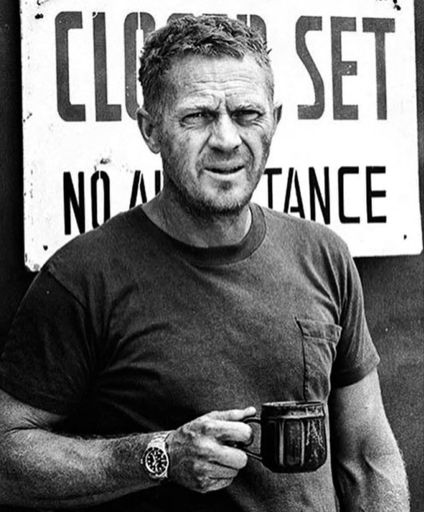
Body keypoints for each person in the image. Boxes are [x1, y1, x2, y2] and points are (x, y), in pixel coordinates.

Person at [0, 14, 409, 512]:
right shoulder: (82, 277)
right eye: (197, 116)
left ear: (275, 120)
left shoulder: (323, 254)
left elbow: (366, 457)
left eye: (247, 114)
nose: (226, 139)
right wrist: (159, 455)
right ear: (150, 129)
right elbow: (7, 458)